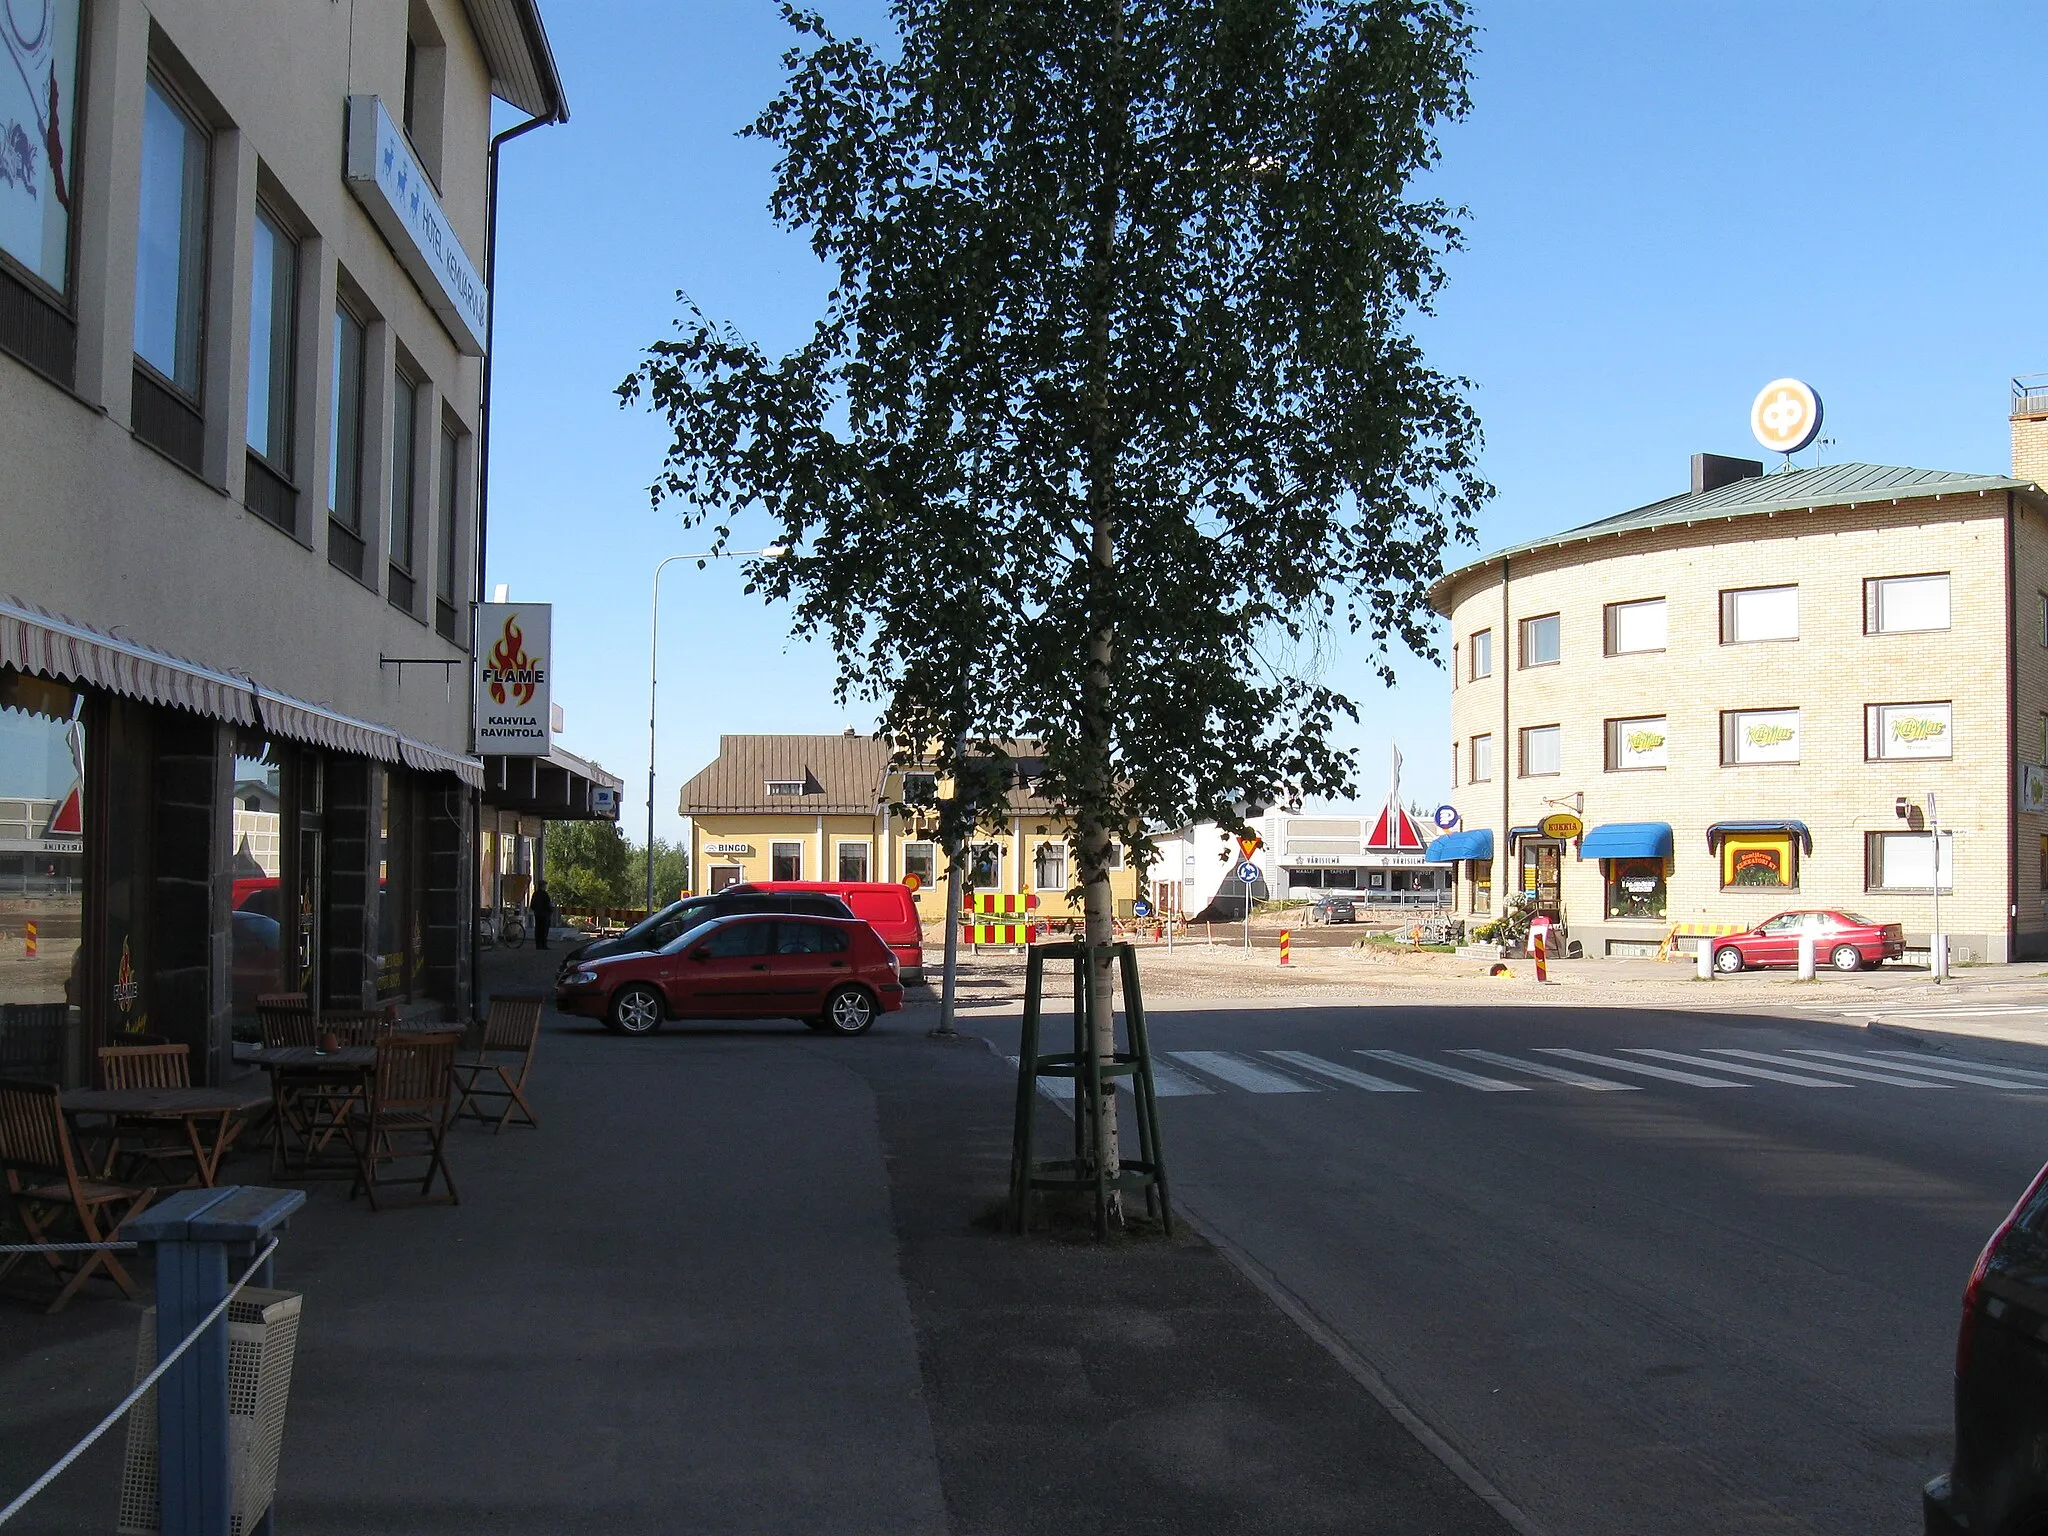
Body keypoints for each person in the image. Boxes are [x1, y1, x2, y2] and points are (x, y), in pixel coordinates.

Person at [530, 882, 555, 951]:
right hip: (544, 915)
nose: (546, 887)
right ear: (543, 886)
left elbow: (532, 905)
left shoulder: (535, 894)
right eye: (545, 886)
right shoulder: (545, 894)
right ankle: (543, 944)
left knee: (538, 929)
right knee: (544, 930)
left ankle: (538, 945)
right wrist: (550, 910)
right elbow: (547, 904)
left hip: (537, 914)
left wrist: (536, 910)